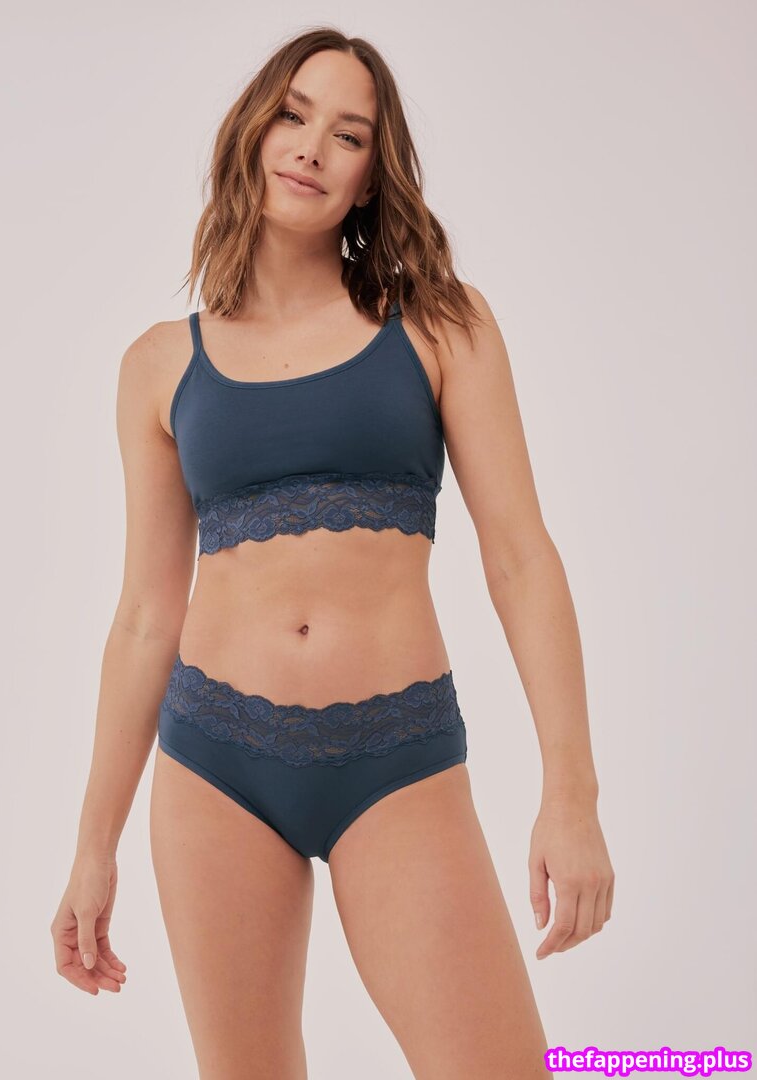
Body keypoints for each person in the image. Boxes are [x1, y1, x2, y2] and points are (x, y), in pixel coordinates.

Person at [51, 26, 614, 1079]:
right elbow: (143, 616)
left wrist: (571, 794)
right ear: (254, 130)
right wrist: (93, 846)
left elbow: (521, 561)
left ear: (369, 174)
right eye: (294, 115)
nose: (312, 147)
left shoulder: (439, 325)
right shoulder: (158, 367)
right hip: (215, 764)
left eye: (348, 135)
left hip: (397, 759)